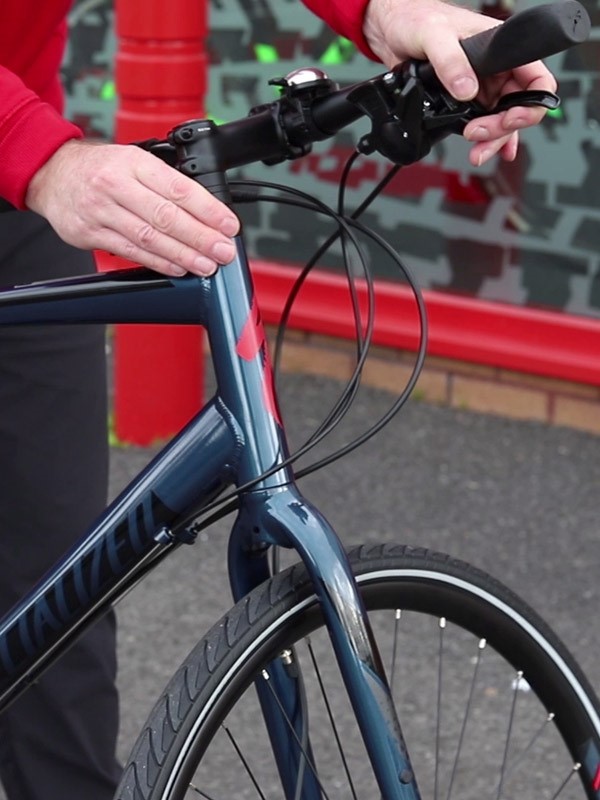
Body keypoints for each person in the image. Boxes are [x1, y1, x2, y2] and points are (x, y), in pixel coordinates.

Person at [0, 1, 556, 799]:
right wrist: (40, 153)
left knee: (61, 605)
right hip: (27, 154)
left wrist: (382, 12)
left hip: (17, 198)